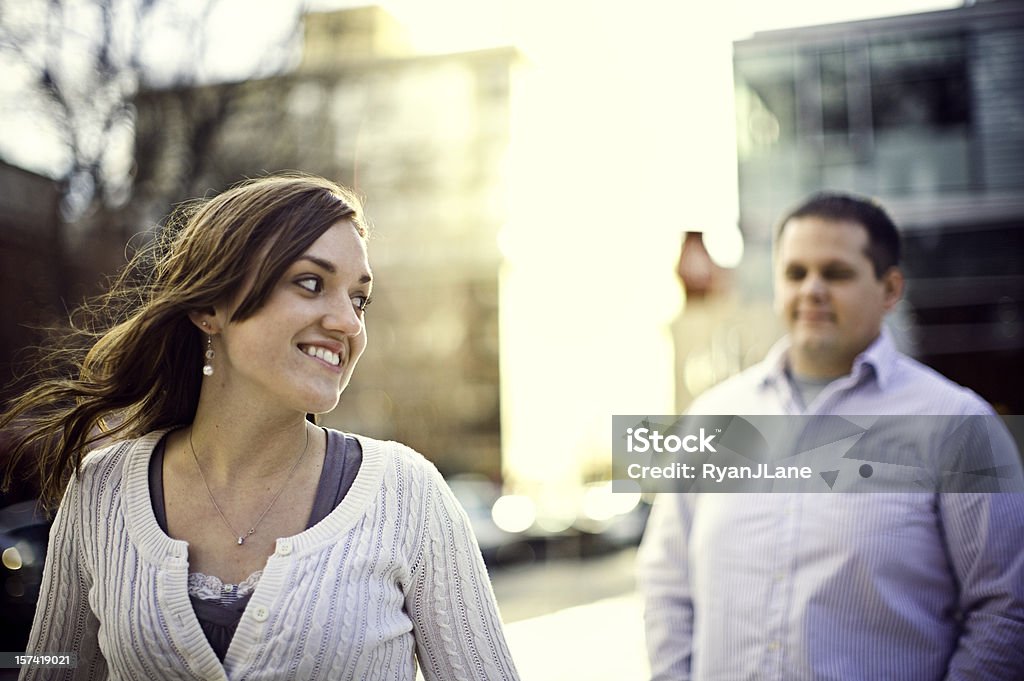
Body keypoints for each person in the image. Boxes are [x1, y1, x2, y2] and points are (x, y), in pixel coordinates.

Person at [1, 173, 520, 680]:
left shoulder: (406, 496)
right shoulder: (102, 490)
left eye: (359, 298)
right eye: (311, 283)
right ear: (210, 307)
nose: (349, 323)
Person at [636, 192, 1024, 680]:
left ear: (890, 289)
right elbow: (666, 585)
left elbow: (1006, 611)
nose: (812, 289)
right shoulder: (711, 419)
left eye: (836, 273)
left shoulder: (960, 425)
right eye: (795, 273)